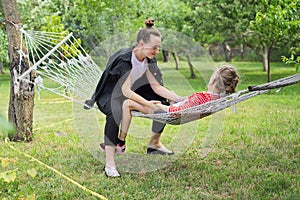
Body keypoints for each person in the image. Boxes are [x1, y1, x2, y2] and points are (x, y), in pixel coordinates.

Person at [84, 18, 184, 177]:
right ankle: (110, 163)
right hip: (111, 93)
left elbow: (156, 86)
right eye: (154, 47)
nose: (157, 51)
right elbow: (125, 91)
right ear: (142, 44)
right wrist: (147, 104)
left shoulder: (149, 58)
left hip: (131, 91)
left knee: (162, 103)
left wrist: (179, 98)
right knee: (114, 112)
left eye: (158, 48)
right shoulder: (125, 59)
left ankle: (154, 144)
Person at [117, 65, 239, 146]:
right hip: (175, 109)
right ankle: (153, 143)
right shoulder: (217, 98)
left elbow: (177, 111)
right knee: (162, 95)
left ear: (214, 80)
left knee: (128, 104)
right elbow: (188, 105)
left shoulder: (202, 97)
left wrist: (161, 106)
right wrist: (176, 99)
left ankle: (120, 143)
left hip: (169, 113)